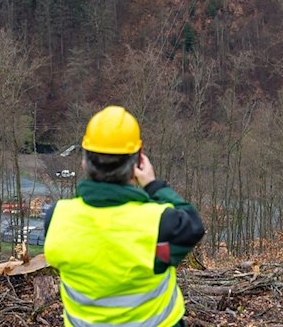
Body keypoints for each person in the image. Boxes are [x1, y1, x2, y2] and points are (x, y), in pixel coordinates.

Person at [44, 106, 205, 327]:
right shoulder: (159, 225)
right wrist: (153, 185)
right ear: (138, 161)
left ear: (84, 161)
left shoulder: (57, 218)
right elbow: (193, 224)